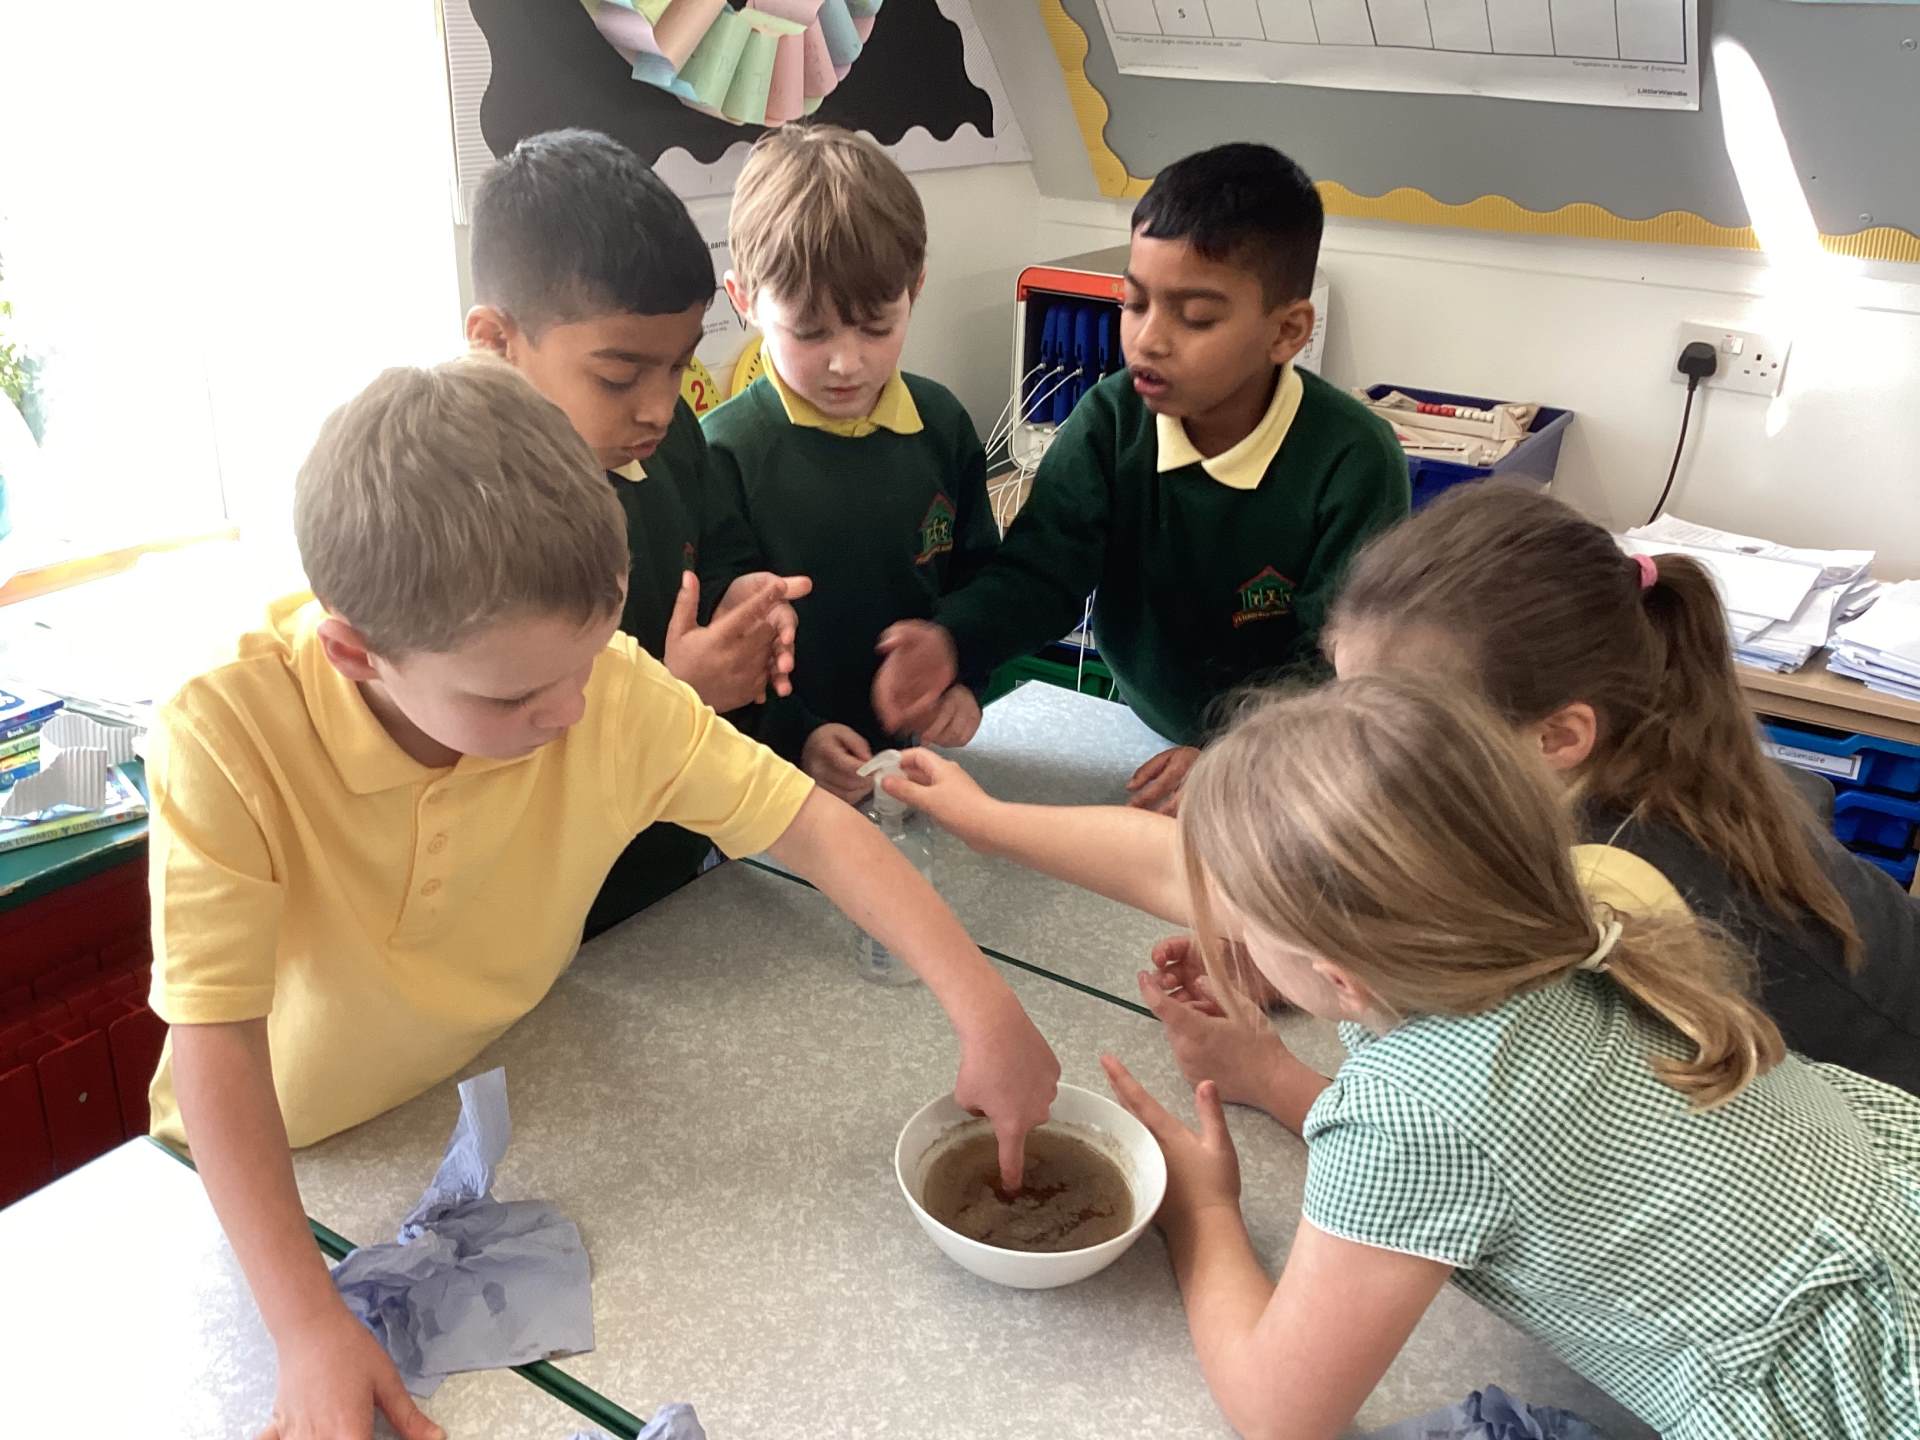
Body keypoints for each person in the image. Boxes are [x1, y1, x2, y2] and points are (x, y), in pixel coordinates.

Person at [145, 357, 1059, 1440]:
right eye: (517, 695)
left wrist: (986, 1009)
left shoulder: (600, 688)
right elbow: (216, 1041)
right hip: (269, 1179)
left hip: (477, 1102)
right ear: (357, 653)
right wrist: (303, 1323)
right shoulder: (226, 733)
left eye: (586, 657)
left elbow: (812, 827)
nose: (573, 711)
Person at [900, 677, 1920, 1438]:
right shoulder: (1554, 910)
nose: (1212, 921)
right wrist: (1279, 1081)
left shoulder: (1415, 1112)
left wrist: (1201, 1209)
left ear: (1339, 977)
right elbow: (1500, 1153)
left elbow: (1279, 1411)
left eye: (1237, 919)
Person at [869, 141, 1407, 813]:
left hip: (1295, 758)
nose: (1149, 339)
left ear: (1287, 331)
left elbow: (1343, 663)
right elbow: (1041, 572)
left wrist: (1240, 753)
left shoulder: (1353, 460)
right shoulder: (1111, 421)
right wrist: (953, 639)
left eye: (1196, 317)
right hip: (1145, 729)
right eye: (1135, 303)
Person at [467, 127, 808, 933]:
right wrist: (679, 695)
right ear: (495, 342)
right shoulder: (462, 515)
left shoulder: (671, 437)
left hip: (677, 875)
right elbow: (487, 759)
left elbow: (719, 552)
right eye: (619, 377)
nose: (659, 407)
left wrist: (743, 603)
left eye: (679, 365)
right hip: (550, 920)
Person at [703, 124, 997, 805]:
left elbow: (981, 579)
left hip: (917, 769)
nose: (846, 361)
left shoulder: (942, 425)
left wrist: (965, 678)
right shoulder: (724, 454)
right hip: (775, 788)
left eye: (876, 327)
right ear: (745, 300)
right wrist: (795, 737)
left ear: (915, 289)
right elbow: (722, 646)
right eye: (810, 332)